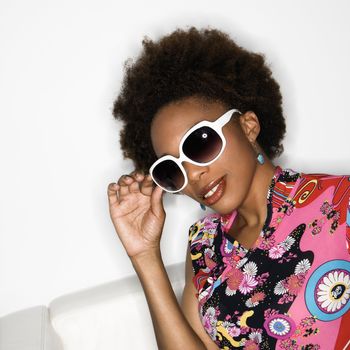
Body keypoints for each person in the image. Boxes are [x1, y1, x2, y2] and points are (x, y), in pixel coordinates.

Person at [107, 26, 350, 349]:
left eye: (200, 143)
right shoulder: (205, 248)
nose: (193, 175)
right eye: (172, 168)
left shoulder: (338, 204)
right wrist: (145, 255)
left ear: (248, 127)